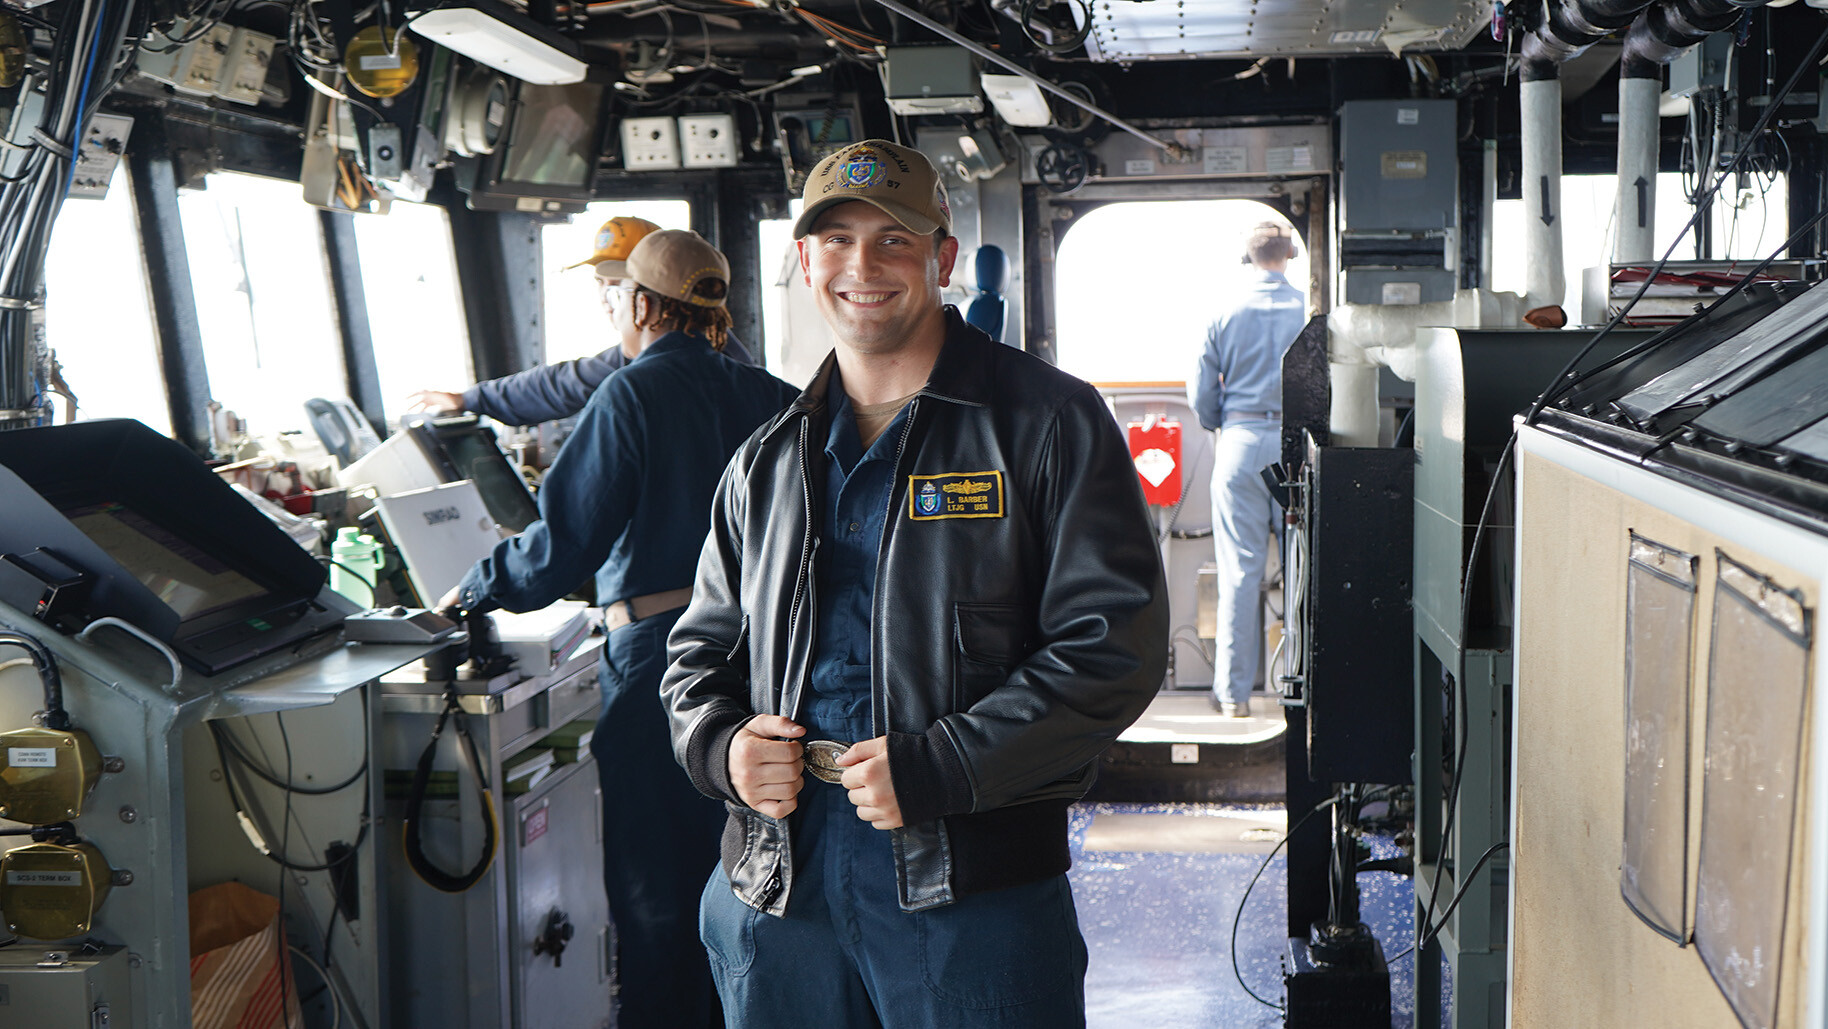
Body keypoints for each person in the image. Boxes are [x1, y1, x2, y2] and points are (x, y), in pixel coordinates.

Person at [660, 140, 1169, 1027]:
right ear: (805, 260)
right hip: (778, 890)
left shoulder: (1048, 423)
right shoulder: (765, 461)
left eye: (893, 239)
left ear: (943, 258)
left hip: (971, 891)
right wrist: (721, 746)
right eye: (837, 240)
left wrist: (946, 765)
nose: (862, 266)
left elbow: (1113, 649)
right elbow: (699, 652)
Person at [441, 229, 799, 1028]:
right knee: (747, 878)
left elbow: (561, 549)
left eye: (617, 298)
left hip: (660, 666)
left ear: (640, 304)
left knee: (656, 889)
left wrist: (474, 588)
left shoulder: (630, 394)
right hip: (767, 664)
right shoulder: (776, 397)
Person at [410, 215, 755, 424]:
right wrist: (471, 399)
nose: (606, 299)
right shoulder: (648, 358)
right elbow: (565, 383)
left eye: (617, 286)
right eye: (600, 283)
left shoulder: (657, 376)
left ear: (650, 295)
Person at [1186, 220, 1308, 719]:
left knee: (1239, 573)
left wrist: (1224, 424)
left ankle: (1234, 697)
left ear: (1248, 258)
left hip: (1239, 443)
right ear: (1290, 255)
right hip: (1297, 449)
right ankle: (1300, 689)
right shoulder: (1309, 308)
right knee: (1302, 571)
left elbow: (1201, 393)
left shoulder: (1224, 310)